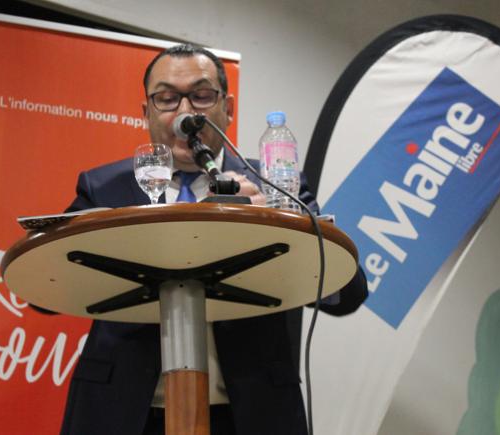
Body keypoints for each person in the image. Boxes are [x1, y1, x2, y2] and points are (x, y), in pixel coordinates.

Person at [59, 44, 368, 435]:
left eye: (202, 95)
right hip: (124, 414)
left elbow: (347, 293)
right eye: (166, 99)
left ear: (229, 108)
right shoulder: (105, 186)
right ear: (146, 112)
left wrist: (269, 223)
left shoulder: (272, 183)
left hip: (250, 415)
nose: (184, 112)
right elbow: (49, 283)